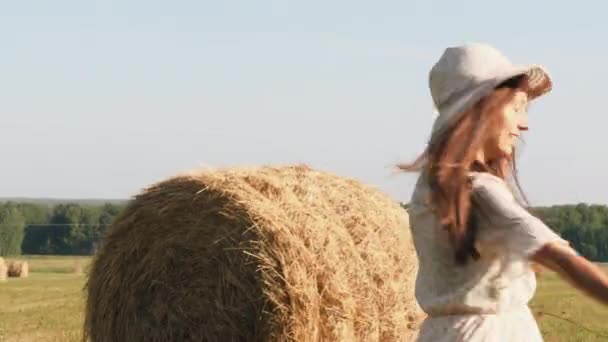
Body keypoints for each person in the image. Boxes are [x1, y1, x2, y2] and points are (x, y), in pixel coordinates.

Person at [402, 43, 608, 341]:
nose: (524, 124)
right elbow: (558, 257)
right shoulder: (480, 191)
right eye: (516, 107)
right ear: (481, 111)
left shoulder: (432, 186)